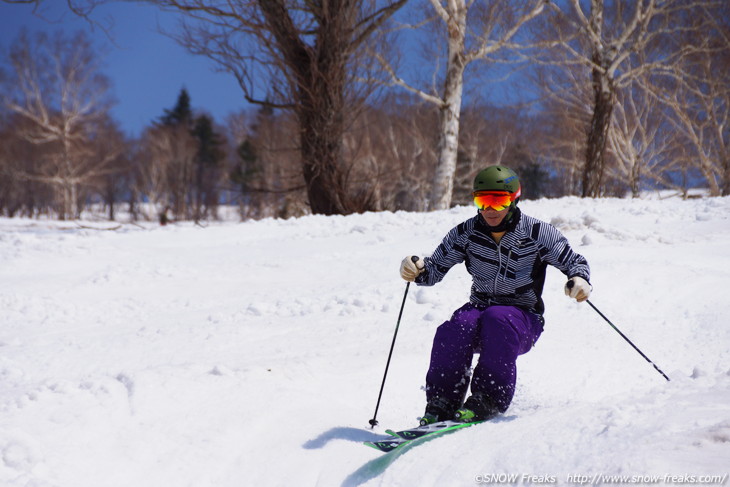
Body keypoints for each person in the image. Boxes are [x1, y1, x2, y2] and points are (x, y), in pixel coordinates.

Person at [400, 165, 591, 425]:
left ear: (514, 200)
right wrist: (417, 269)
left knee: (497, 317)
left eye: (498, 201)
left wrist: (579, 280)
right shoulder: (466, 233)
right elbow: (433, 270)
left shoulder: (537, 233)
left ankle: (488, 398)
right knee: (456, 327)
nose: (489, 209)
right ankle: (442, 401)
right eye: (482, 201)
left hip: (523, 317)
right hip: (479, 308)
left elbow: (574, 261)